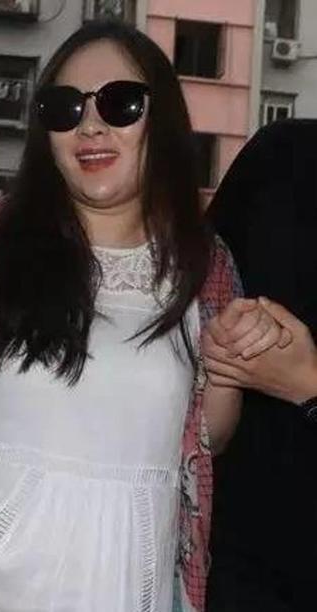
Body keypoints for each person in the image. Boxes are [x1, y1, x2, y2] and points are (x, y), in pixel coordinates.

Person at [0, 21, 280, 612]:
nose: (90, 126)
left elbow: (206, 439)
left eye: (120, 104)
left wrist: (230, 360)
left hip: (128, 583)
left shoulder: (205, 263)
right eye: (64, 108)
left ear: (163, 120)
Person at [203, 119, 317, 612]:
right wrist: (223, 338)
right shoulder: (282, 154)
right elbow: (201, 288)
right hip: (233, 560)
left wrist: (305, 384)